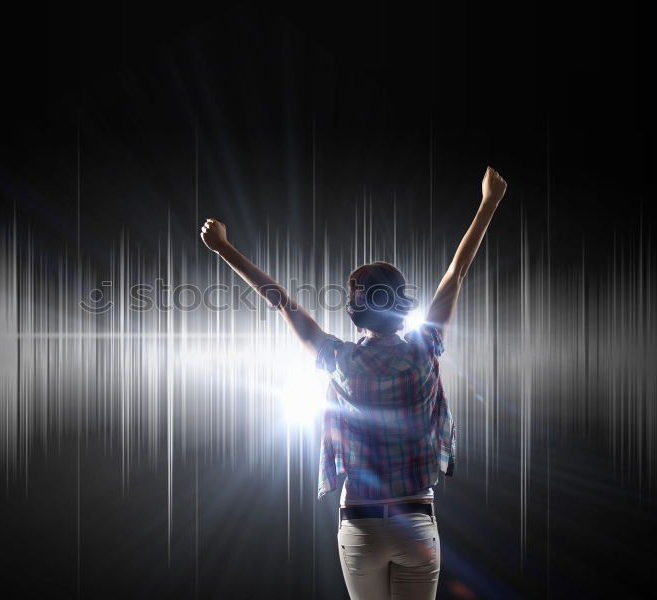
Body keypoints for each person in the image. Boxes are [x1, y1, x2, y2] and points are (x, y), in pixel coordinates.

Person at [200, 166, 507, 600]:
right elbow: (456, 272)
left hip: (359, 523)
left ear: (353, 309)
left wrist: (223, 248)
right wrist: (488, 202)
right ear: (402, 305)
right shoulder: (424, 347)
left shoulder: (339, 359)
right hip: (416, 519)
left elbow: (280, 300)